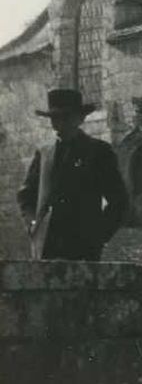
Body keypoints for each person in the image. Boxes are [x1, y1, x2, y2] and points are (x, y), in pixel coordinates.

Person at [17, 88, 128, 261]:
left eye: (66, 118)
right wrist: (33, 224)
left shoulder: (98, 152)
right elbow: (25, 195)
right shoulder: (44, 153)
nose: (60, 125)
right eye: (55, 119)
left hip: (82, 247)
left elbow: (119, 201)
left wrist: (98, 235)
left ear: (80, 118)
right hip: (46, 247)